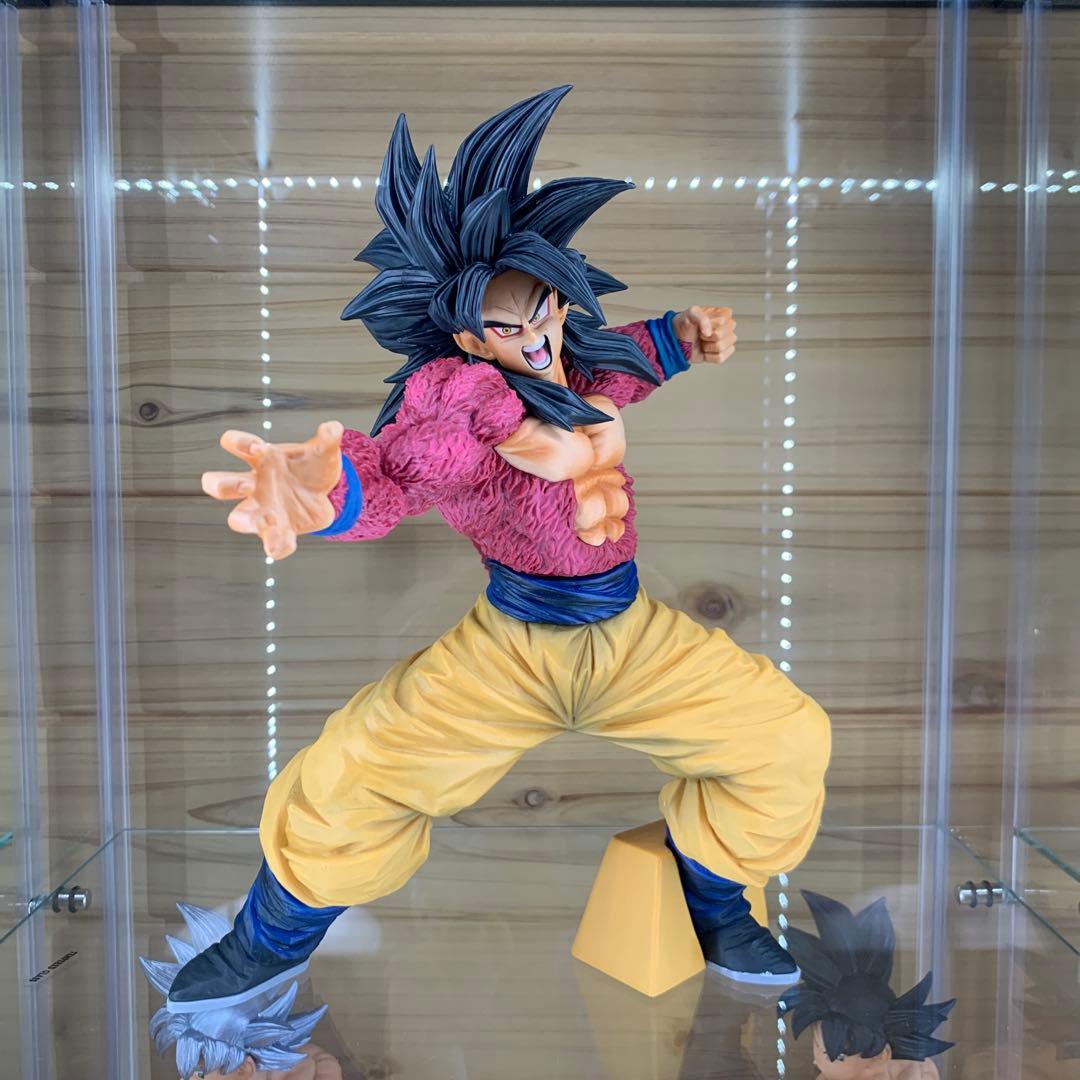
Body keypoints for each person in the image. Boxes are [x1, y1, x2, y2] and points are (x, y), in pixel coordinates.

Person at [152, 85, 832, 1028]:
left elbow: (629, 355)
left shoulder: (578, 361)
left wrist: (686, 335)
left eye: (544, 310)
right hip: (512, 647)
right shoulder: (462, 400)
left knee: (783, 738)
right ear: (469, 335)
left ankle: (713, 904)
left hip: (632, 633)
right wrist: (326, 491)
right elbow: (401, 472)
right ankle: (271, 936)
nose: (536, 338)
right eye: (509, 327)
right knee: (355, 769)